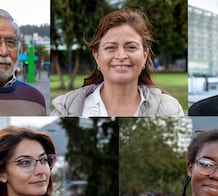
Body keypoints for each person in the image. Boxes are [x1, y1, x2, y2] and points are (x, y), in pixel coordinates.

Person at [50, 8, 183, 116]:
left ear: (144, 56)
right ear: (97, 57)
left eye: (131, 47)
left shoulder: (170, 110)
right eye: (110, 47)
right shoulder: (65, 109)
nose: (121, 56)